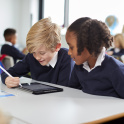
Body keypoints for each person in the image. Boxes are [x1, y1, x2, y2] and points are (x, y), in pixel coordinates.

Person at [1, 18, 74, 88]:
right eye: (34, 52)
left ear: (56, 47)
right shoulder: (31, 57)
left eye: (42, 53)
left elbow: (64, 90)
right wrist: (7, 79)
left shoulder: (66, 57)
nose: (37, 57)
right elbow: (7, 73)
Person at [66, 17, 124, 99]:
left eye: (71, 47)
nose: (69, 52)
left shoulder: (116, 70)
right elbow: (72, 93)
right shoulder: (79, 67)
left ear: (88, 45)